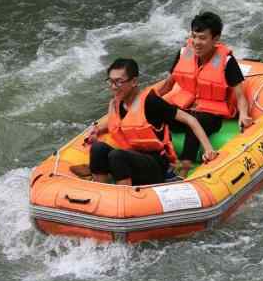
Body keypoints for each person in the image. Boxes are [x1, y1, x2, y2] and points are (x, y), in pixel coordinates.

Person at [82, 58, 218, 186]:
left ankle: (123, 200)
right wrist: (96, 128)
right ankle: (101, 190)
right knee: (98, 148)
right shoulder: (117, 103)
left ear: (134, 81)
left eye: (118, 82)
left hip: (156, 164)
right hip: (131, 157)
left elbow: (190, 119)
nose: (113, 87)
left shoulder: (150, 101)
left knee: (117, 155)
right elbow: (117, 123)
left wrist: (208, 149)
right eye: (110, 81)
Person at [157, 11, 253, 177]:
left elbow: (240, 96)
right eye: (194, 36)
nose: (196, 42)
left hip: (210, 114)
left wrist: (243, 115)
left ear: (215, 40)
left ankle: (183, 171)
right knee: (157, 114)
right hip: (185, 108)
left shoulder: (227, 62)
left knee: (196, 123)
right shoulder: (184, 53)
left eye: (202, 38)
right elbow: (167, 85)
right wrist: (148, 103)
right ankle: (160, 161)